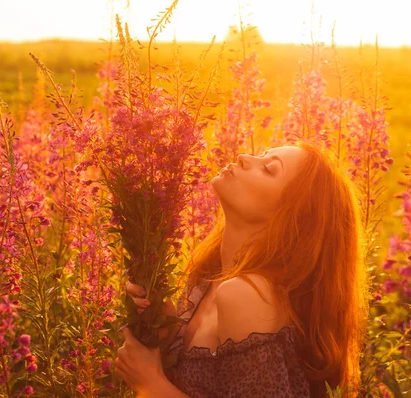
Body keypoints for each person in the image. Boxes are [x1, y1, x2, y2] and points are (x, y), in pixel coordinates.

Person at [115, 141, 368, 397]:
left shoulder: (247, 295)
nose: (245, 157)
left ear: (293, 219)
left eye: (268, 169)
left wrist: (150, 384)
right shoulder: (208, 279)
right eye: (261, 155)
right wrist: (168, 333)